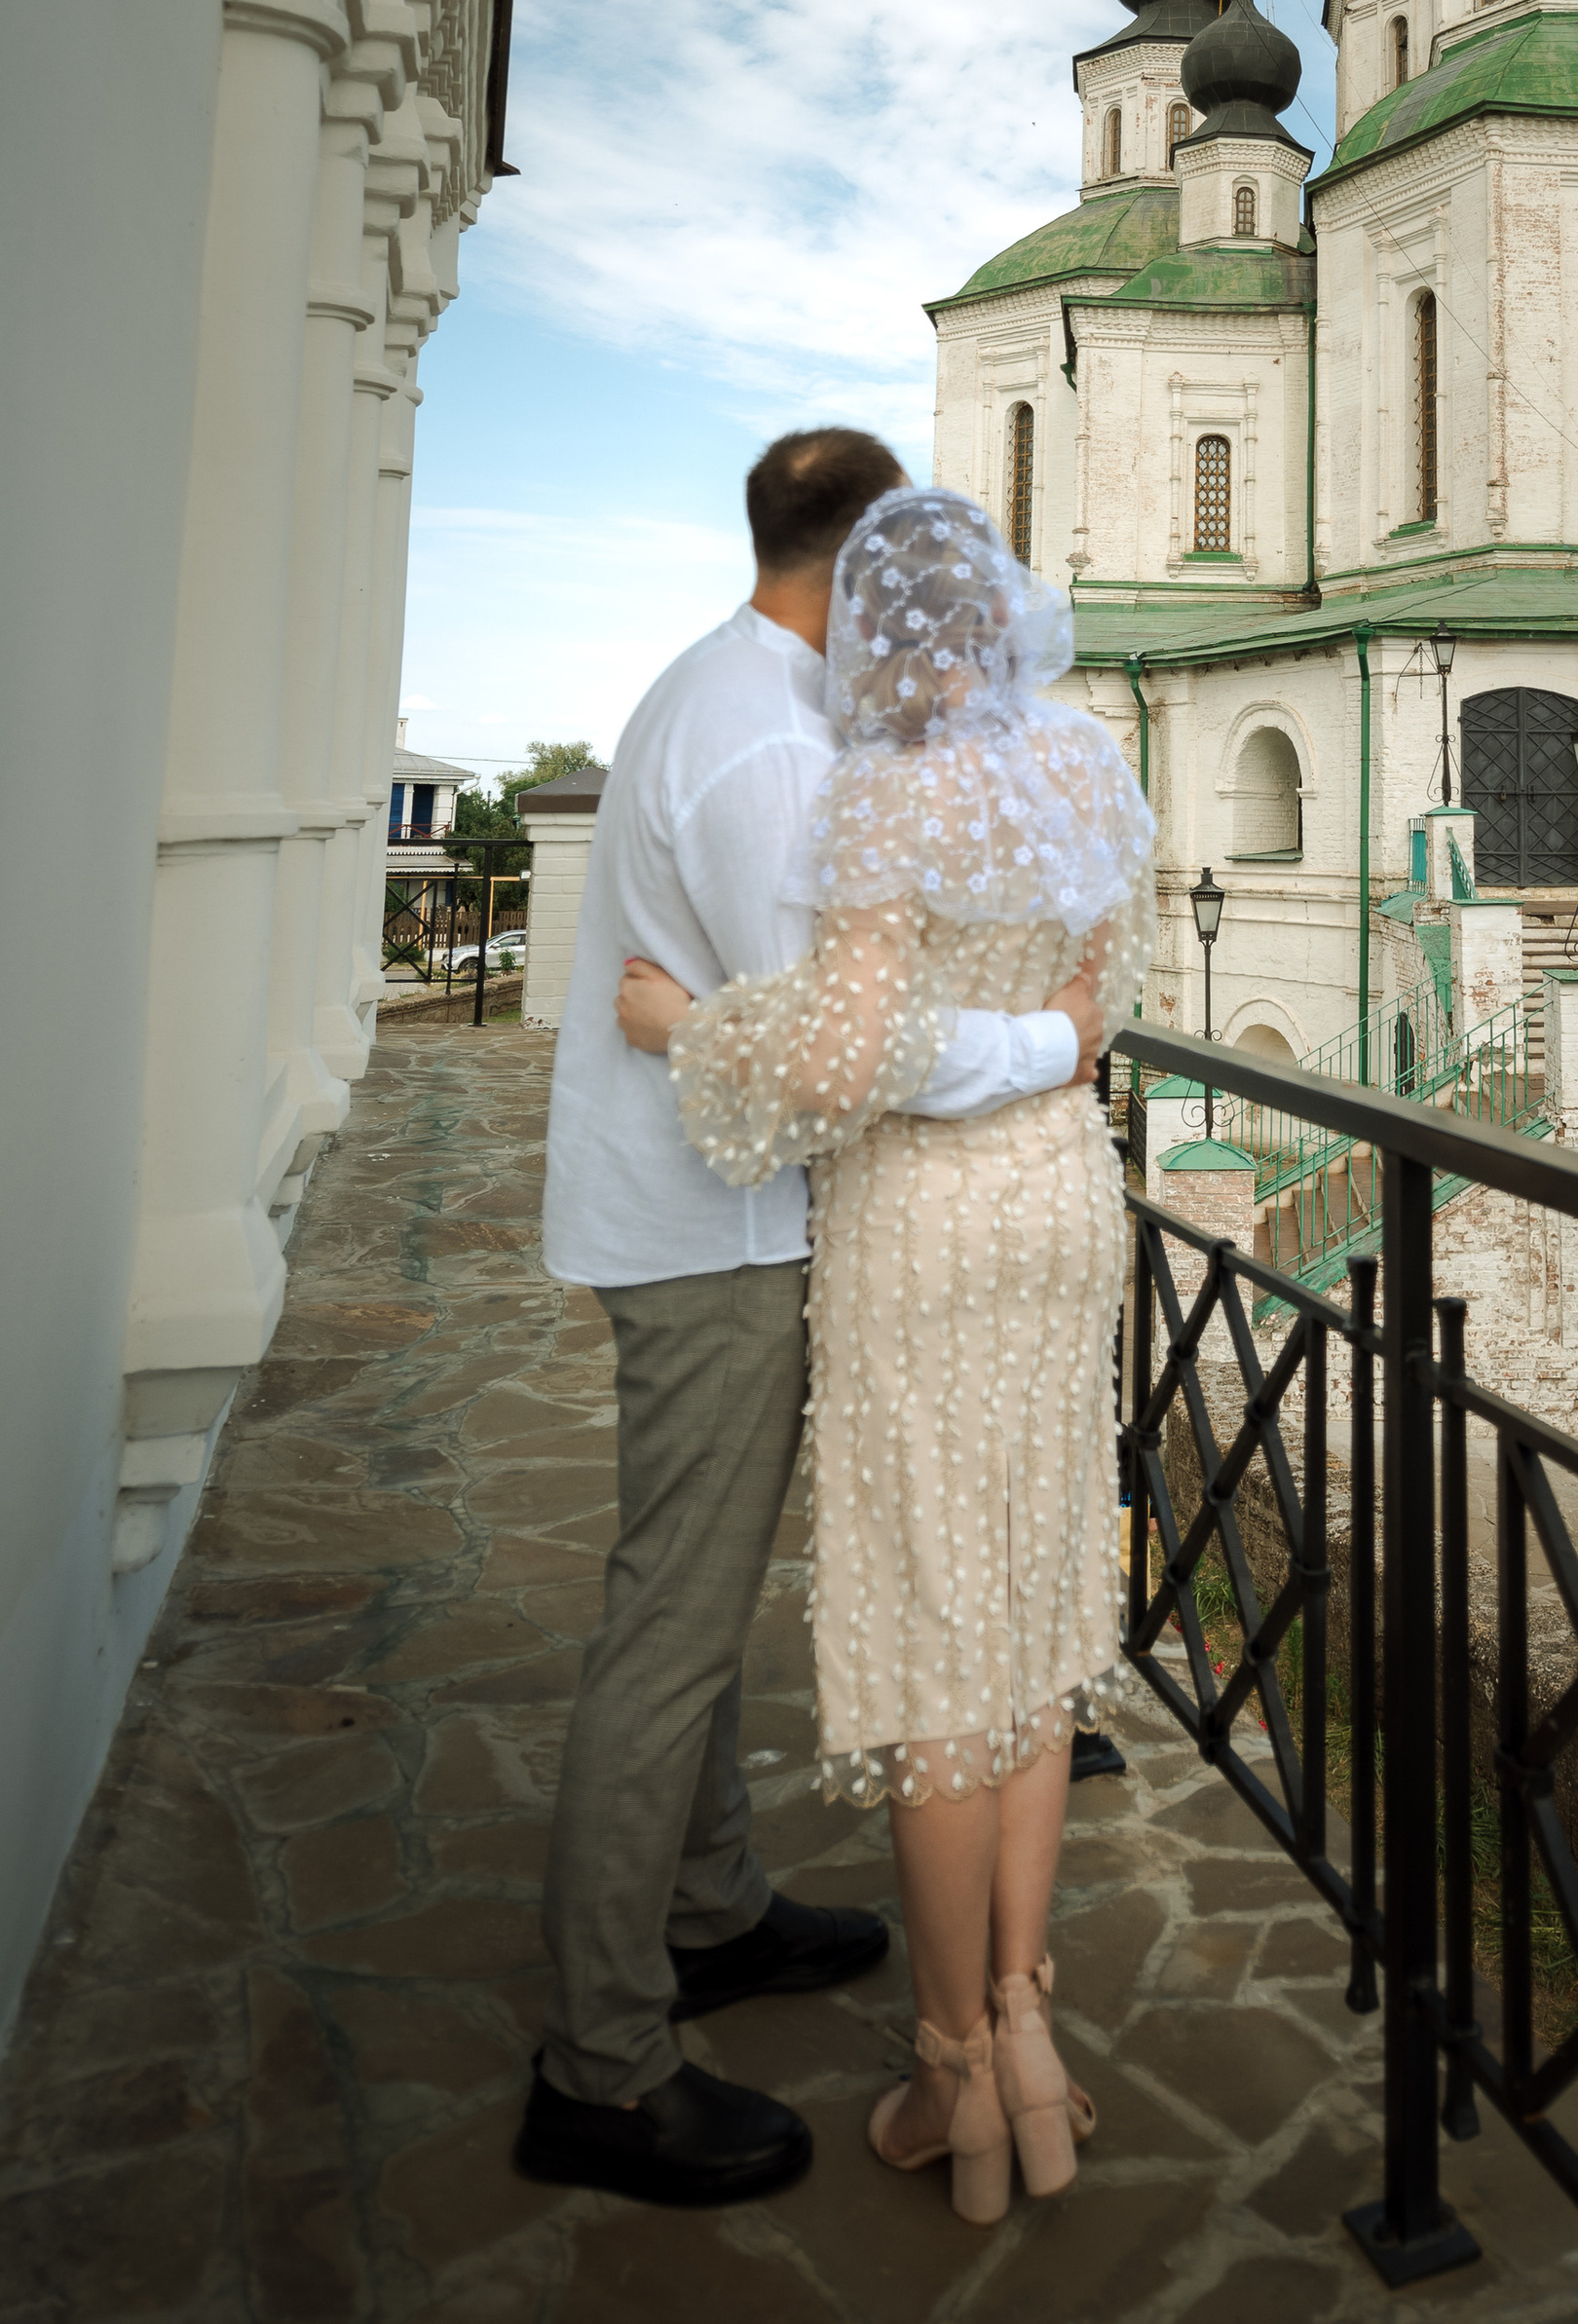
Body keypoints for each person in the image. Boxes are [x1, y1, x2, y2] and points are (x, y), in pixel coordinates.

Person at [514, 433, 1104, 2214]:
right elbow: (857, 1053)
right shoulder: (782, 746)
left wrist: (695, 1018)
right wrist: (1059, 1043)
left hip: (767, 1205)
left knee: (691, 1605)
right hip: (719, 1228)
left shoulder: (745, 692)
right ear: (864, 571)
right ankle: (602, 2061)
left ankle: (712, 1910)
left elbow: (840, 1021)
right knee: (676, 1625)